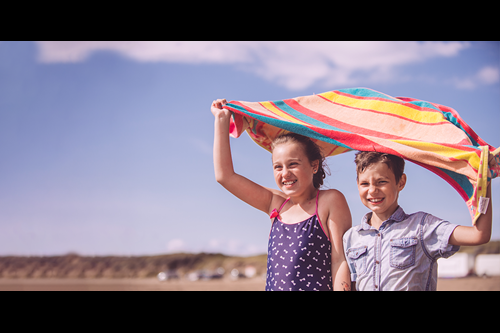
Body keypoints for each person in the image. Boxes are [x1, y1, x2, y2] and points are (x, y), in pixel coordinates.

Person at [211, 99, 352, 291]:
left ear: (314, 165)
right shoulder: (276, 204)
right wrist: (221, 121)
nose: (284, 173)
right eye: (278, 166)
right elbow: (224, 176)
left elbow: (340, 261)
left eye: (293, 164)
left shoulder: (329, 201)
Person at [343, 151, 494, 291]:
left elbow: (479, 235)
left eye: (381, 182)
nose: (372, 190)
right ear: (357, 184)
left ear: (401, 182)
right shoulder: (351, 237)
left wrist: (484, 182)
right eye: (364, 184)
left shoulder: (422, 226)